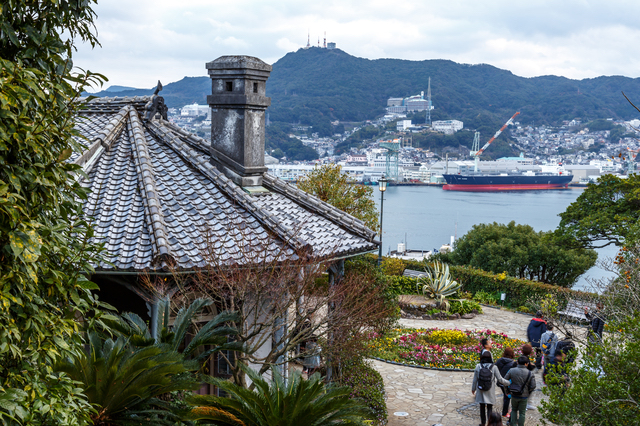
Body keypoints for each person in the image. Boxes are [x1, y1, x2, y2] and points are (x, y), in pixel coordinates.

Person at [472, 354, 510, 426]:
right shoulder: (494, 367)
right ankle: (490, 423)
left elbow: (475, 380)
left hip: (480, 389)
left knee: (482, 406)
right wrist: (508, 383)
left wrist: (473, 389)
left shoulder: (478, 366)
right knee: (490, 407)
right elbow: (500, 379)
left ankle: (483, 423)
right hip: (490, 389)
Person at [505, 356, 537, 426]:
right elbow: (533, 385)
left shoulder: (512, 370)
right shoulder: (530, 373)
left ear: (517, 362)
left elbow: (505, 381)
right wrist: (528, 391)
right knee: (522, 413)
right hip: (524, 396)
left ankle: (513, 424)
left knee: (514, 410)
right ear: (526, 364)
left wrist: (507, 391)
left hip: (514, 394)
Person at [495, 348, 516, 420]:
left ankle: (506, 410)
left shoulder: (499, 361)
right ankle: (504, 413)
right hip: (507, 383)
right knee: (507, 397)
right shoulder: (513, 363)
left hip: (500, 382)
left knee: (506, 396)